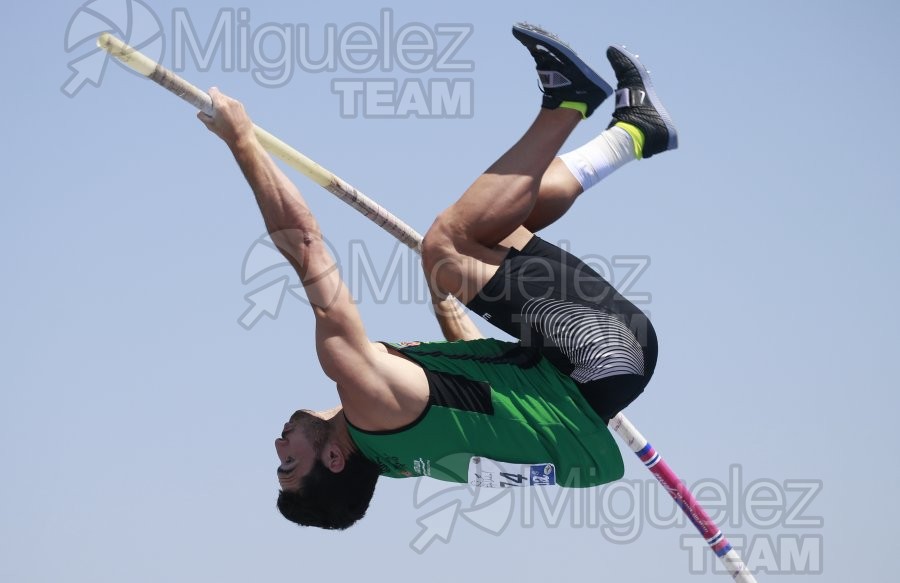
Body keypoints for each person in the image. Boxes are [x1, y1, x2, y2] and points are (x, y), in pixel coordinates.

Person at [198, 23, 678, 530]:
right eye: (289, 462)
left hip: (598, 369)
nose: (279, 445)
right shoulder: (364, 394)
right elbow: (308, 249)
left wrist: (447, 308)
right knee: (445, 248)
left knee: (496, 229)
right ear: (335, 461)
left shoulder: (403, 458)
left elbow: (490, 391)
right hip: (597, 353)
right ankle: (569, 101)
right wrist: (243, 141)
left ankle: (635, 133)